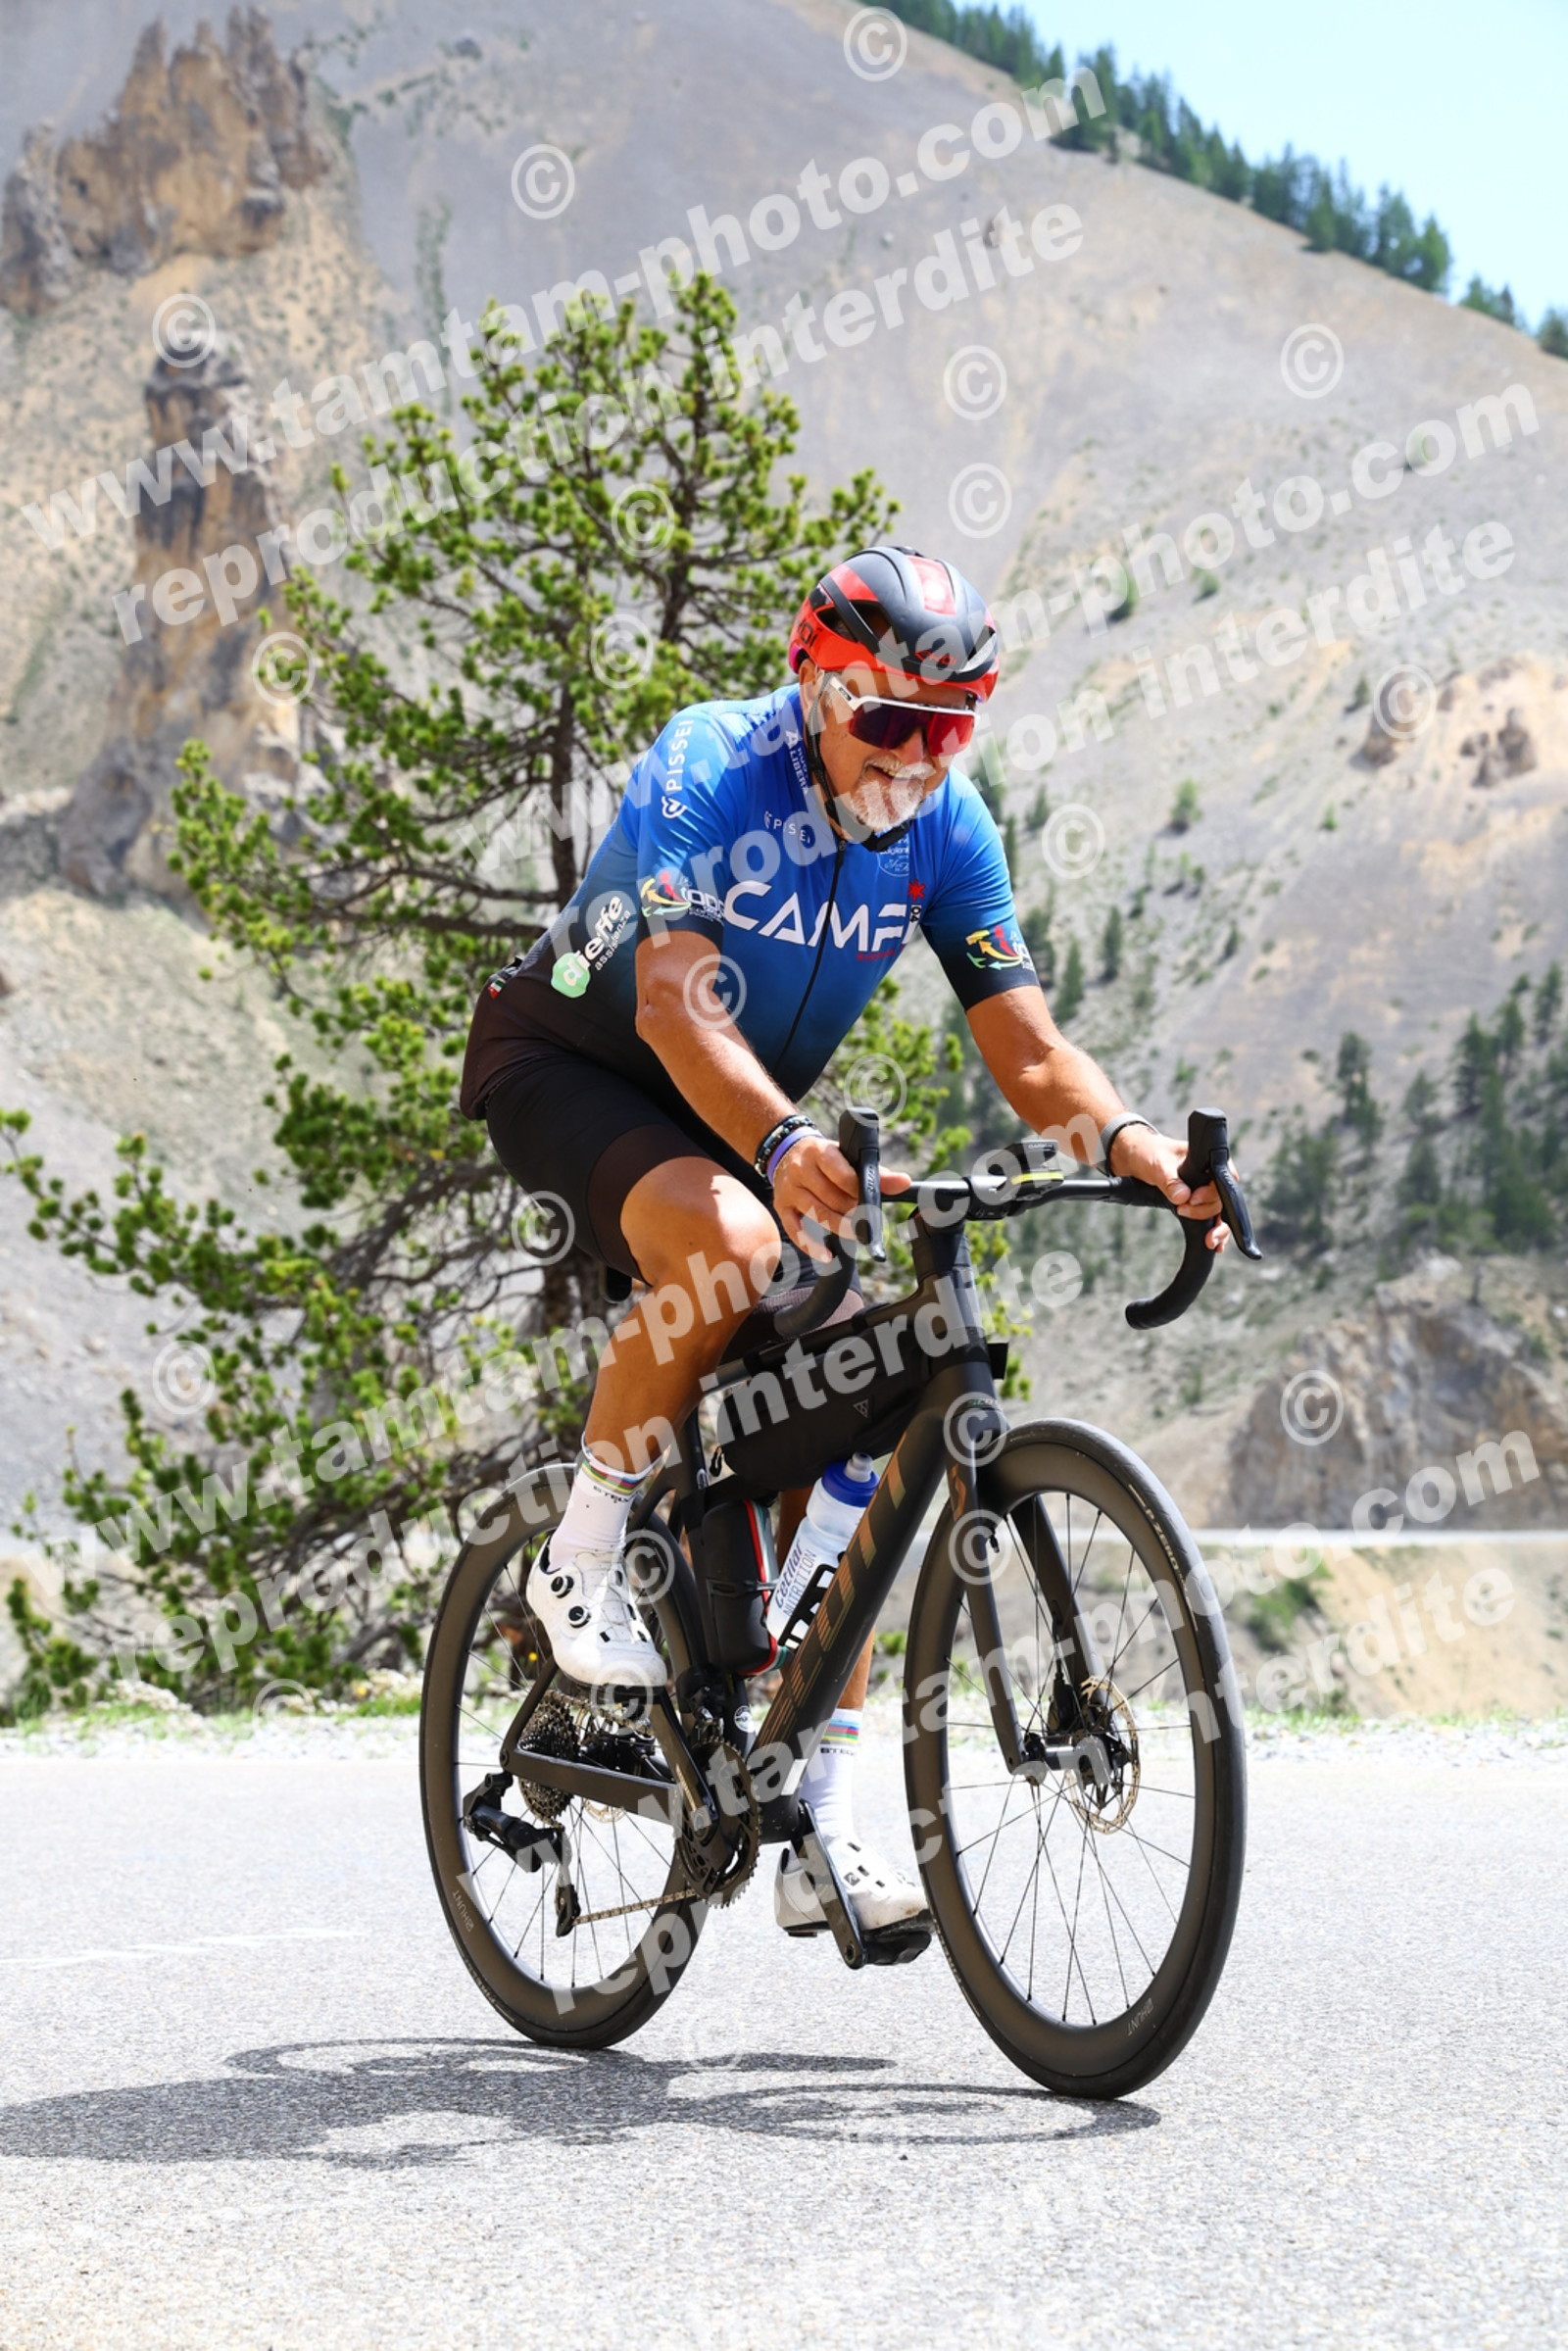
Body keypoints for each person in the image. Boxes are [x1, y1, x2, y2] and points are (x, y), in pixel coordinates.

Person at [461, 542, 1229, 1936]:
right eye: (889, 720)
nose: (917, 759)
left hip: (741, 1116)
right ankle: (582, 1549)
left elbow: (1031, 1053)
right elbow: (672, 1001)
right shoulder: (713, 764)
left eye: (951, 729)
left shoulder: (947, 832)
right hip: (575, 1066)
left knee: (870, 1393)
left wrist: (1134, 1147)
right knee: (732, 1245)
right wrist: (776, 1147)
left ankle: (818, 1812)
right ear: (817, 685)